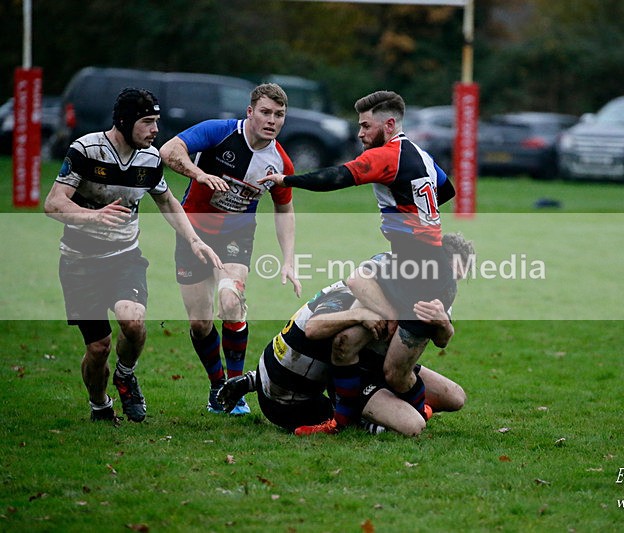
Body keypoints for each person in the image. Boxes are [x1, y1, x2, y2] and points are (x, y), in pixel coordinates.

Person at [261, 90, 457, 433]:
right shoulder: (422, 156)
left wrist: (286, 180)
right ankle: (341, 420)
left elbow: (338, 177)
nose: (360, 133)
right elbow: (447, 190)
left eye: (366, 126)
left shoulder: (388, 155)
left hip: (420, 277)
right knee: (351, 321)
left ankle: (414, 411)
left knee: (396, 373)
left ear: (389, 125)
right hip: (413, 266)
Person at [44, 88, 223, 423]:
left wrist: (194, 240)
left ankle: (125, 376)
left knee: (134, 321)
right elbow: (53, 204)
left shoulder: (149, 158)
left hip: (124, 257)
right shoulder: (86, 149)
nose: (155, 130)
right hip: (80, 262)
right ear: (125, 122)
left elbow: (167, 201)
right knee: (98, 348)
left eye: (156, 121)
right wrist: (93, 216)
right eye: (147, 122)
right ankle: (100, 405)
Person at [217, 233, 474, 436]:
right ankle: (353, 417)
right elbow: (315, 327)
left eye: (456, 278)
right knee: (411, 425)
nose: (449, 283)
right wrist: (361, 314)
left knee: (455, 397)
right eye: (448, 273)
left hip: (362, 365)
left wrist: (444, 324)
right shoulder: (372, 286)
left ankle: (256, 380)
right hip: (290, 396)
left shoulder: (437, 292)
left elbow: (441, 339)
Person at [159, 83, 302, 416]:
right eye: (265, 112)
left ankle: (235, 390)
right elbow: (168, 151)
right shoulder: (218, 132)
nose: (272, 120)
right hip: (192, 233)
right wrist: (199, 174)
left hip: (237, 236)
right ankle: (216, 386)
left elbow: (284, 209)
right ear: (250, 112)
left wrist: (289, 259)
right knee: (200, 322)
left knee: (230, 301)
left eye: (279, 115)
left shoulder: (280, 162)